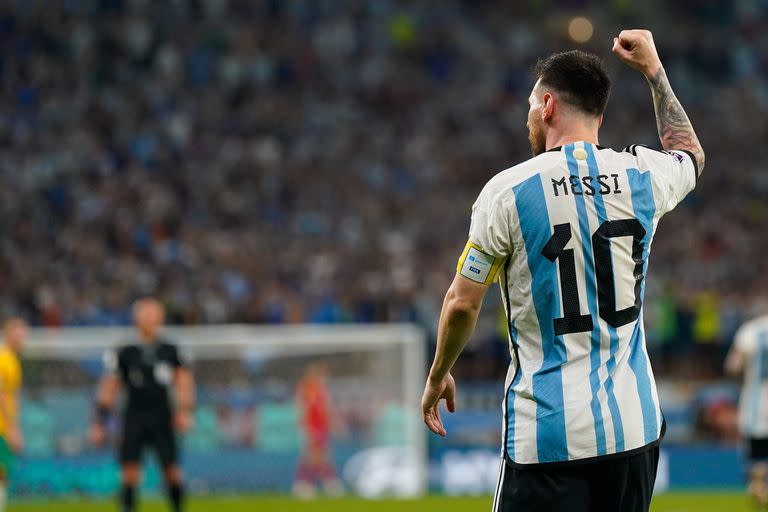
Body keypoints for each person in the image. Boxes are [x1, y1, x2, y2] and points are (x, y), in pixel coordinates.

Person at [421, 29, 705, 512]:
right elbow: (691, 154)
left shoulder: (507, 192)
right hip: (633, 430)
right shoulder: (642, 176)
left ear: (548, 105)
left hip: (548, 434)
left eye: (531, 104)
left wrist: (439, 374)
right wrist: (655, 72)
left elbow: (463, 302)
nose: (528, 116)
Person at [89, 298, 195, 512]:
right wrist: (100, 420)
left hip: (163, 415)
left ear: (161, 317)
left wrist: (184, 411)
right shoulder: (125, 351)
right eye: (145, 314)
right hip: (134, 416)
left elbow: (184, 381)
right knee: (129, 471)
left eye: (154, 314)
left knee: (171, 470)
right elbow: (110, 386)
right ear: (136, 318)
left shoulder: (170, 349)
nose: (149, 318)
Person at [725, 306, 768, 507]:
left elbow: (733, 365)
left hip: (756, 400)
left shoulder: (751, 331)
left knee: (757, 451)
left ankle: (758, 487)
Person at [293, 363, 344, 498]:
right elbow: (303, 409)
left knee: (319, 457)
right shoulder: (306, 389)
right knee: (314, 456)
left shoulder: (321, 390)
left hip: (321, 427)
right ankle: (312, 484)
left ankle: (309, 484)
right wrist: (306, 427)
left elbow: (326, 410)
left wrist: (332, 424)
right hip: (312, 427)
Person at [0, 318, 27, 512]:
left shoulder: (12, 359)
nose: (23, 337)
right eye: (19, 332)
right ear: (7, 333)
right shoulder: (3, 359)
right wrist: (12, 428)